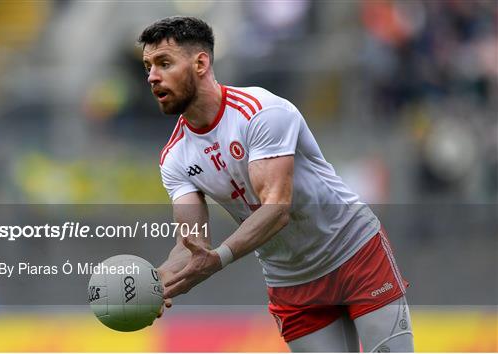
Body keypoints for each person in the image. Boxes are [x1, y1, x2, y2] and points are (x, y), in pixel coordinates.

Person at [138, 16, 414, 352]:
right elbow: (191, 243)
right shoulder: (174, 157)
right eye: (148, 66)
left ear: (200, 63)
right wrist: (153, 284)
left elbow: (277, 209)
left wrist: (219, 258)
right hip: (291, 282)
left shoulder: (261, 112)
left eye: (164, 63)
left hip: (353, 252)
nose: (152, 76)